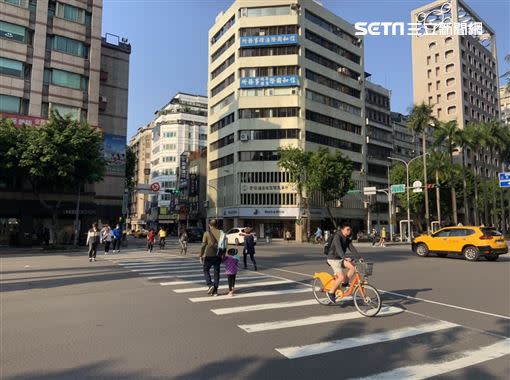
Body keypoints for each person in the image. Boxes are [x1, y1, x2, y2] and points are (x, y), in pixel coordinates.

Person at [326, 222, 359, 303]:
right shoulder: (337, 237)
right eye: (347, 230)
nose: (349, 231)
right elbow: (338, 249)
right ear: (342, 229)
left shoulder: (346, 238)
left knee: (353, 268)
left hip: (340, 258)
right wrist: (345, 257)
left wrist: (359, 257)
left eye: (350, 230)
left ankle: (345, 283)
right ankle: (330, 293)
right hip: (333, 259)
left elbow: (352, 248)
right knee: (341, 277)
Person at [200, 219, 224, 296]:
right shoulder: (221, 233)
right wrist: (223, 254)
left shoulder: (206, 233)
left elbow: (203, 245)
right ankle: (215, 291)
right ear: (217, 225)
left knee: (205, 270)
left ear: (209, 225)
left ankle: (210, 285)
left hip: (209, 255)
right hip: (218, 255)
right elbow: (225, 244)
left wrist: (201, 255)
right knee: (216, 273)